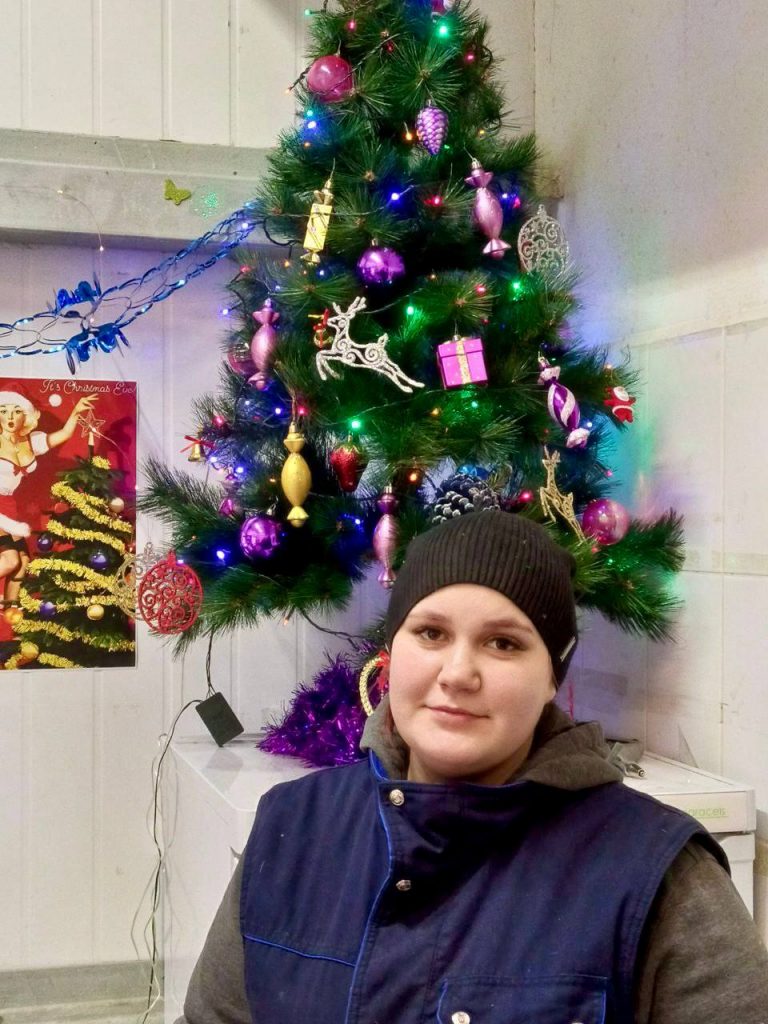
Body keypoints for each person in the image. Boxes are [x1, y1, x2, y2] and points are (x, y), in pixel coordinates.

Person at [178, 511, 768, 1024]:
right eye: (430, 633)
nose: (458, 673)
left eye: (504, 643)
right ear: (393, 652)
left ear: (552, 677)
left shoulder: (657, 873)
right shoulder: (291, 830)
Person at [0, 388, 98, 607]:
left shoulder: (30, 442)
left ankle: (9, 612)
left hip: (9, 505)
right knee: (10, 560)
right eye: (3, 411)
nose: (10, 417)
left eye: (16, 411)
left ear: (25, 415)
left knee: (23, 562)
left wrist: (76, 412)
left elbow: (63, 435)